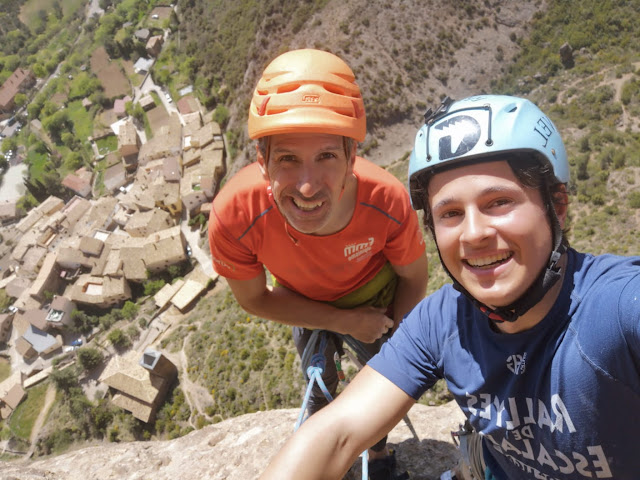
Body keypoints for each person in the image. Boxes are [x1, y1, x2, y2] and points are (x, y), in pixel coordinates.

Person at [259, 94, 640, 480]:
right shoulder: (444, 322)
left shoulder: (616, 309)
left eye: (499, 202)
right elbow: (337, 433)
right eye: (451, 213)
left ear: (557, 206)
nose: (473, 234)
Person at [208, 48, 429, 479]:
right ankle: (331, 452)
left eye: (326, 156)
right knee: (321, 388)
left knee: (375, 388)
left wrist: (391, 352)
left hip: (377, 300)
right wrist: (340, 321)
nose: (307, 187)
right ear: (262, 162)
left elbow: (414, 278)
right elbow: (255, 299)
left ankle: (377, 454)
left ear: (351, 158)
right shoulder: (235, 215)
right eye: (287, 158)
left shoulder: (385, 201)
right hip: (304, 302)